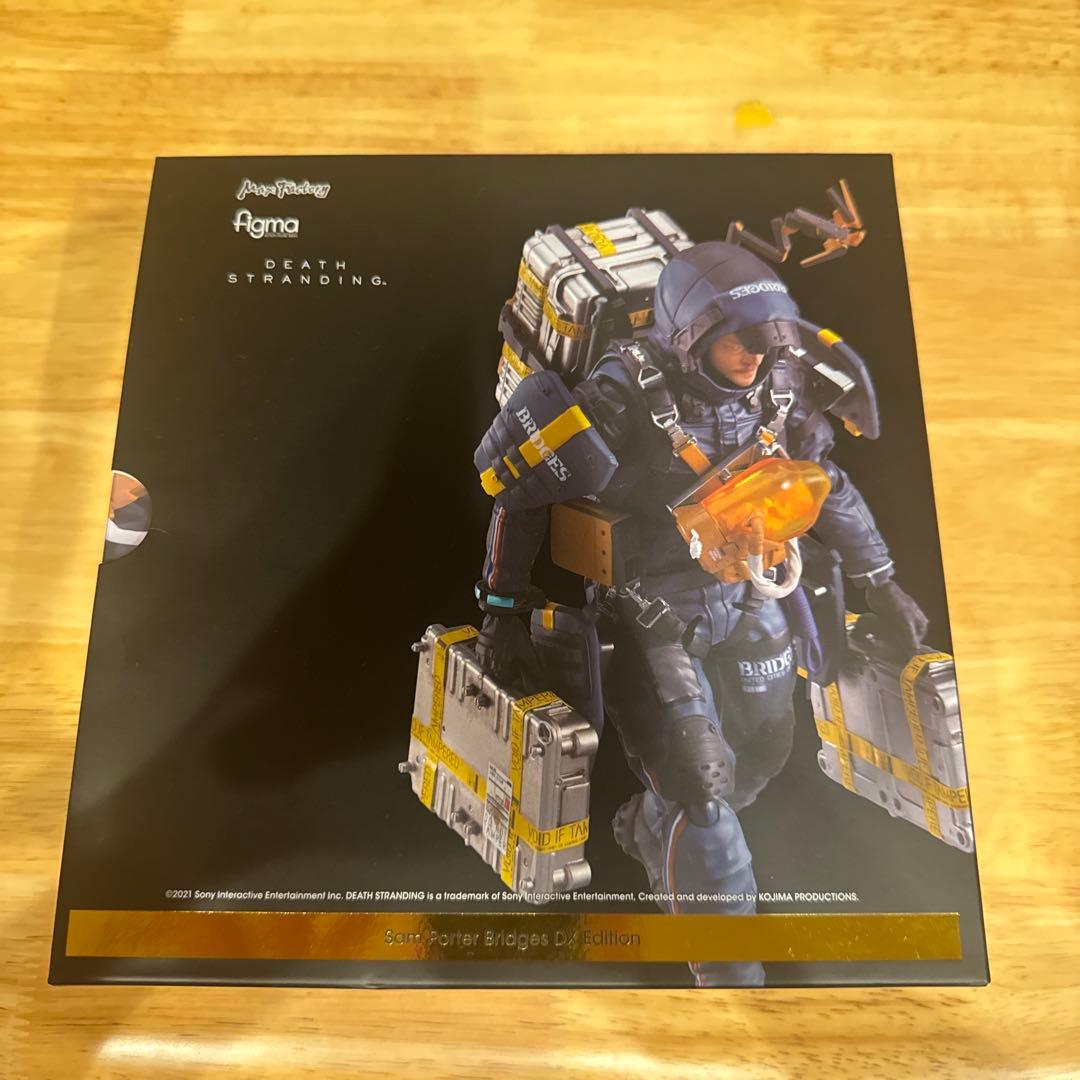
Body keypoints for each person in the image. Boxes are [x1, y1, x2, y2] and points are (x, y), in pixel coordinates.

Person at [473, 240, 928, 985]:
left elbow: (826, 483)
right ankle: (728, 976)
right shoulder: (624, 393)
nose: (754, 355)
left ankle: (657, 831)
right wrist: (500, 607)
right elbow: (522, 494)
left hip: (753, 590)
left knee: (765, 752)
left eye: (764, 339)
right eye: (736, 340)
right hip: (652, 613)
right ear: (690, 336)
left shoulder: (780, 383)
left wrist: (881, 581)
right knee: (704, 786)